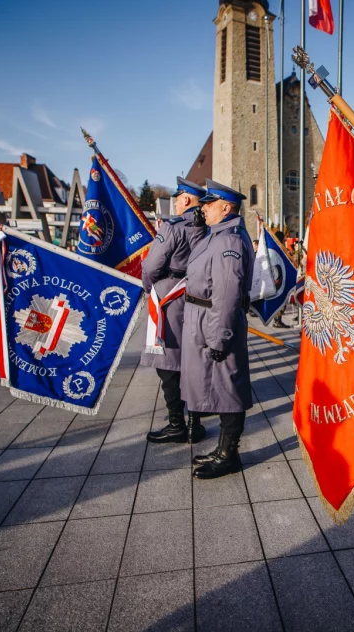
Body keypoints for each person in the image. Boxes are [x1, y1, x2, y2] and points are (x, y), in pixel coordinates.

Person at [182, 179, 255, 479]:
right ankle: (224, 450)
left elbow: (226, 295)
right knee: (222, 389)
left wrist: (219, 337)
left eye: (209, 204)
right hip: (205, 318)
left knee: (229, 389)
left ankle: (229, 455)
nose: (204, 208)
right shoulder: (218, 235)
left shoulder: (229, 241)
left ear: (226, 208)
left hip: (216, 322)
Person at [143, 178, 211, 444]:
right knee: (193, 362)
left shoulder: (173, 227)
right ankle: (195, 423)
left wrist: (150, 288)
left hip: (171, 299)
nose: (176, 203)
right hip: (197, 298)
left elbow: (151, 267)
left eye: (177, 198)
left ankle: (176, 424)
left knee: (168, 364)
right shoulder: (208, 229)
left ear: (184, 199)